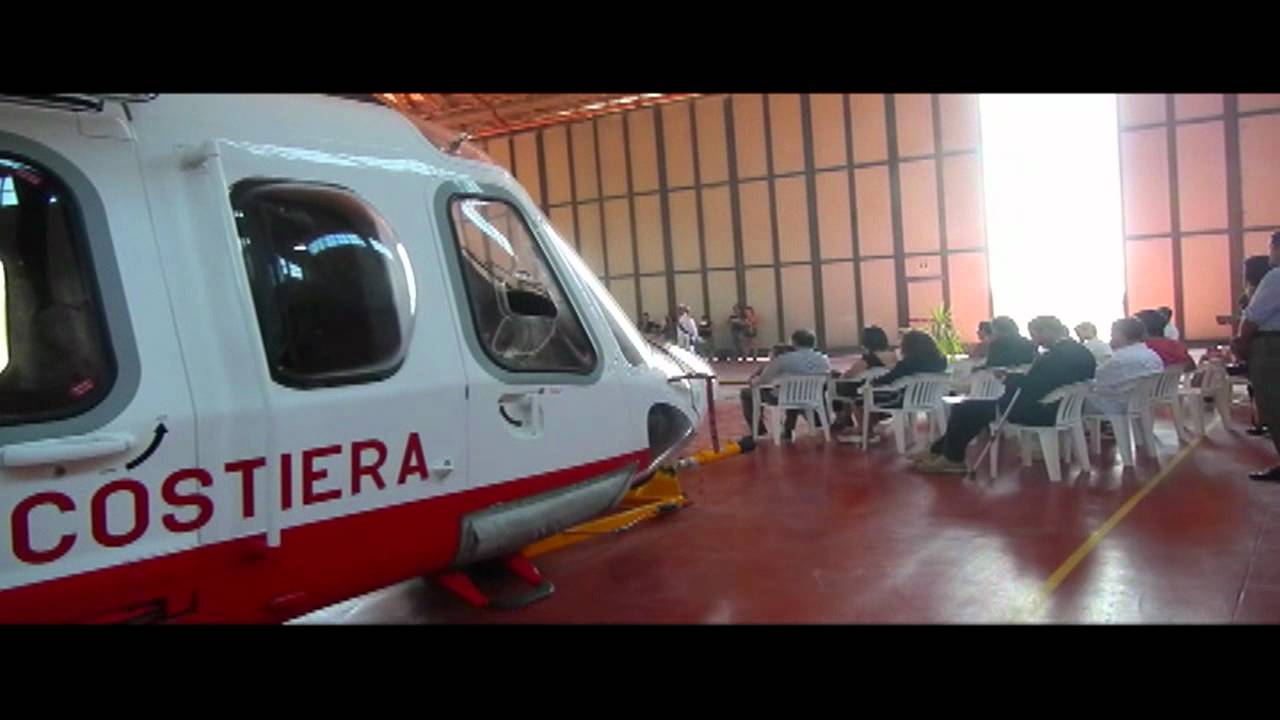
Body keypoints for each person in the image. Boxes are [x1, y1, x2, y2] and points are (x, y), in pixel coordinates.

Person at [915, 316, 1096, 474]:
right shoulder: (1083, 352)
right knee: (972, 412)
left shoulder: (1054, 356)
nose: (1035, 340)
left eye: (1035, 335)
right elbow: (1048, 382)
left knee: (963, 410)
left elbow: (1033, 387)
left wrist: (1008, 378)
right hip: (1064, 409)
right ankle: (938, 450)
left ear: (1047, 331)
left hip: (1037, 410)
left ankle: (952, 459)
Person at [1233, 231, 1280, 481]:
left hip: (1271, 346)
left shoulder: (1276, 277)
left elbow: (1253, 317)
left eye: (1270, 247)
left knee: (1273, 404)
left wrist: (1241, 343)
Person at [739, 329, 830, 441]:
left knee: (747, 393)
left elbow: (764, 380)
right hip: (813, 397)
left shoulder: (784, 360)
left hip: (785, 397)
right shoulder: (823, 359)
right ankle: (791, 428)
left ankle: (759, 430)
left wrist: (754, 381)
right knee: (793, 392)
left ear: (794, 342)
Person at [1084, 317, 1163, 417]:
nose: (1111, 337)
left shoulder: (1119, 360)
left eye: (1112, 333)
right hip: (1142, 403)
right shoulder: (1153, 356)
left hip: (1116, 406)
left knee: (1076, 402)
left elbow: (1097, 380)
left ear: (1120, 335)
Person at [829, 326, 899, 434]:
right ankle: (849, 418)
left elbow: (849, 375)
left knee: (838, 383)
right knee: (850, 387)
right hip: (890, 392)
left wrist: (839, 376)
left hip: (868, 392)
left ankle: (844, 418)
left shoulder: (870, 358)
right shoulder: (894, 356)